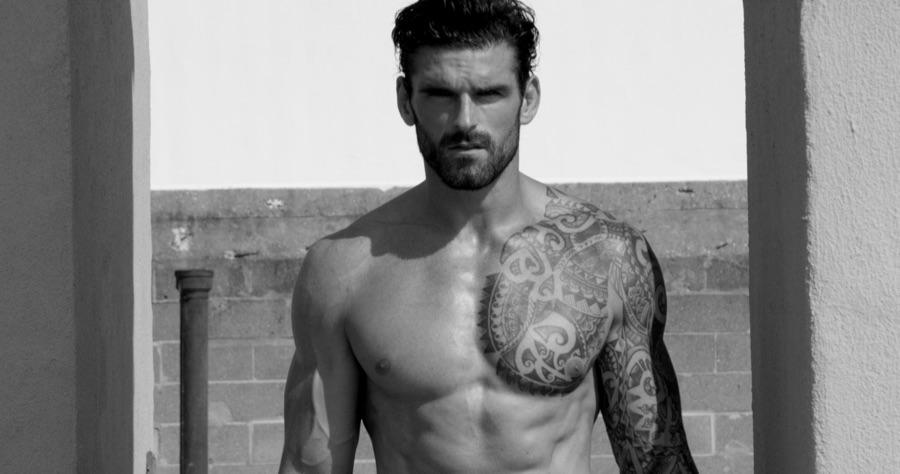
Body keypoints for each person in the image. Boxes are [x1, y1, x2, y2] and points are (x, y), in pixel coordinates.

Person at [279, 1, 697, 472]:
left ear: (528, 99)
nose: (465, 121)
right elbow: (309, 464)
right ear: (405, 100)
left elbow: (659, 464)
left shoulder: (607, 257)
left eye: (489, 94)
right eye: (440, 94)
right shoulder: (342, 271)